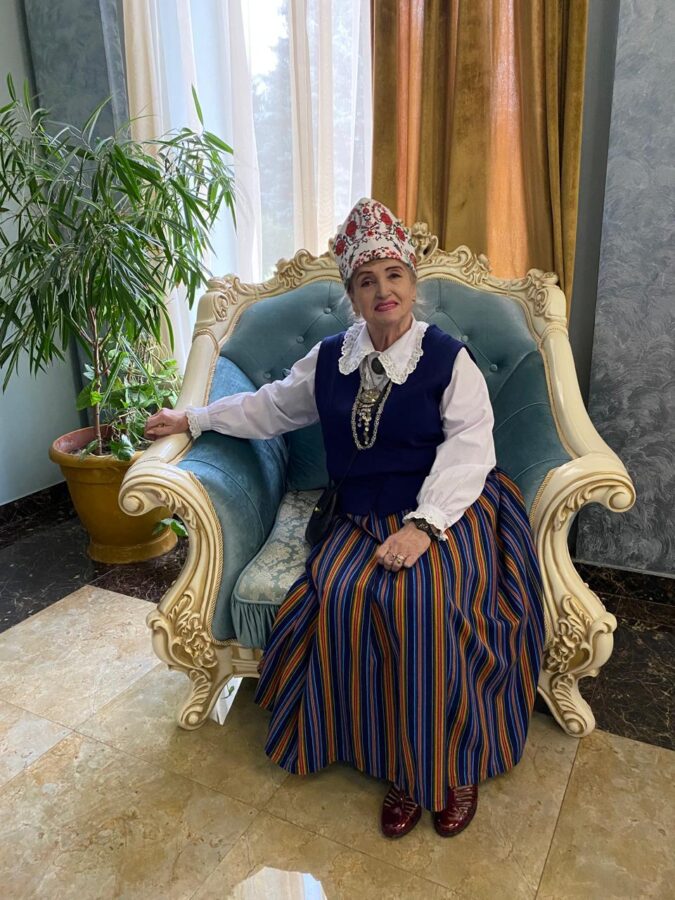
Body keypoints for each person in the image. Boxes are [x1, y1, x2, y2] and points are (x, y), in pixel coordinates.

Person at [145, 198, 546, 840]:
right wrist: (193, 418)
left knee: (427, 599)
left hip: (450, 508)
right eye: (367, 280)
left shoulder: (449, 359)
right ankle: (400, 762)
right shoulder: (332, 357)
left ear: (413, 282)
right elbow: (270, 407)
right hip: (360, 513)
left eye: (394, 275)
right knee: (343, 591)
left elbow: (471, 450)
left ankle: (452, 764)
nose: (383, 290)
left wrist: (423, 528)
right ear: (352, 296)